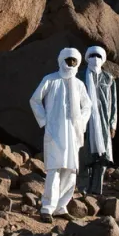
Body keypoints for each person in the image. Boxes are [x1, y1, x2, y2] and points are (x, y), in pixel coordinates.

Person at [29, 48, 92, 223]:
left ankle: (61, 207)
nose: (70, 64)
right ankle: (47, 208)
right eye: (68, 60)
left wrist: (81, 122)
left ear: (78, 63)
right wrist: (44, 121)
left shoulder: (79, 84)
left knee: (70, 171)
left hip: (73, 133)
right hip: (54, 131)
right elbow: (35, 100)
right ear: (61, 60)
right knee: (54, 170)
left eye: (73, 61)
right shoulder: (50, 79)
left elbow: (87, 106)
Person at [76, 45, 118, 196]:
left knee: (102, 157)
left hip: (103, 124)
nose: (95, 59)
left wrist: (113, 124)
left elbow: (113, 103)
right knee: (84, 155)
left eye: (98, 56)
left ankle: (96, 190)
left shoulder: (109, 78)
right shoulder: (80, 76)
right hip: (85, 122)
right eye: (92, 55)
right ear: (87, 58)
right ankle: (83, 188)